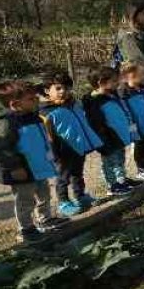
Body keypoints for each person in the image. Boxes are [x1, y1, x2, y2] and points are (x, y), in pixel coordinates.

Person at [0, 81, 67, 243]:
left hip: (39, 166)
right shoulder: (6, 123)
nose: (37, 100)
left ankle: (45, 219)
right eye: (31, 99)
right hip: (23, 170)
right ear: (15, 104)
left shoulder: (34, 118)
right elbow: (2, 148)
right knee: (25, 199)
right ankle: (26, 228)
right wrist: (15, 167)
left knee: (44, 194)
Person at [39, 70, 103, 217]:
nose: (63, 91)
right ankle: (63, 201)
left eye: (66, 88)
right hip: (62, 151)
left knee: (78, 173)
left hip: (78, 147)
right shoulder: (46, 113)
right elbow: (47, 137)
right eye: (58, 88)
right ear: (47, 90)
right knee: (63, 177)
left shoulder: (74, 104)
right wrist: (54, 153)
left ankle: (80, 195)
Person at [83, 67, 138, 196]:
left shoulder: (111, 95)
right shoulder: (94, 102)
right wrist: (103, 139)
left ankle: (122, 179)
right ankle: (113, 185)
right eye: (114, 81)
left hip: (118, 136)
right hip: (107, 138)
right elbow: (96, 124)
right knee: (110, 162)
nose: (117, 83)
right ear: (101, 82)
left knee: (119, 159)